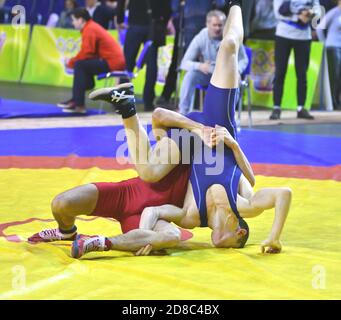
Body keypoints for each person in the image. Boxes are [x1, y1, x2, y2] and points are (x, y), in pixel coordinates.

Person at [84, 0, 292, 257]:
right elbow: (282, 192)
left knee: (149, 170)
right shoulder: (244, 206)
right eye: (230, 245)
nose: (220, 246)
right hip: (218, 124)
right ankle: (236, 5)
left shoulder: (192, 216)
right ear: (239, 232)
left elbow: (153, 212)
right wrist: (274, 237)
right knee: (228, 47)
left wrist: (147, 237)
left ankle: (128, 108)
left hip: (190, 138)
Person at [178, 10, 249, 115]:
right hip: (209, 74)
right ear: (207, 24)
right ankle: (183, 113)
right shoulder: (201, 36)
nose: (217, 28)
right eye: (214, 25)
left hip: (227, 76)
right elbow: (184, 63)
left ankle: (229, 116)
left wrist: (237, 70)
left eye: (220, 25)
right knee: (190, 75)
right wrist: (200, 66)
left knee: (236, 79)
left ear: (225, 25)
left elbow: (244, 60)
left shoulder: (231, 36)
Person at [57, 8, 125, 114]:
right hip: (111, 60)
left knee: (79, 65)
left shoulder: (90, 29)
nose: (72, 22)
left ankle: (79, 105)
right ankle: (77, 98)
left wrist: (70, 62)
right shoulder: (90, 27)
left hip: (113, 62)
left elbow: (87, 53)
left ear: (81, 20)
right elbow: (90, 53)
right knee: (81, 65)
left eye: (74, 20)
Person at [270, 0, 321, 120]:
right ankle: (276, 107)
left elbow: (319, 10)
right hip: (284, 34)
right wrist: (298, 17)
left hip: (304, 36)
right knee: (280, 72)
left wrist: (310, 13)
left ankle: (301, 108)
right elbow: (278, 12)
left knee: (302, 73)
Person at [116, 0, 172, 111]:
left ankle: (122, 101)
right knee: (151, 64)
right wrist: (164, 21)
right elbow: (166, 4)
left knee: (128, 63)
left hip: (135, 21)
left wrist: (120, 18)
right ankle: (148, 102)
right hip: (153, 23)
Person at [317, 0, 341, 110]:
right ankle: (334, 102)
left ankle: (338, 100)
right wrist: (323, 42)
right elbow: (319, 27)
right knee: (335, 75)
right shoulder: (334, 12)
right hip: (333, 46)